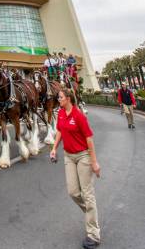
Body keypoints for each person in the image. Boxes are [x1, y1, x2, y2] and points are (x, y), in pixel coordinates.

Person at [50, 87, 101, 248]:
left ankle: (93, 234)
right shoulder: (60, 113)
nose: (59, 100)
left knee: (87, 193)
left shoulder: (79, 115)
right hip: (68, 156)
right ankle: (90, 213)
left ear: (68, 99)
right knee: (73, 192)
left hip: (83, 156)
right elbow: (59, 131)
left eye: (61, 97)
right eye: (58, 97)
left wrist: (94, 162)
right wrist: (53, 148)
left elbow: (89, 139)